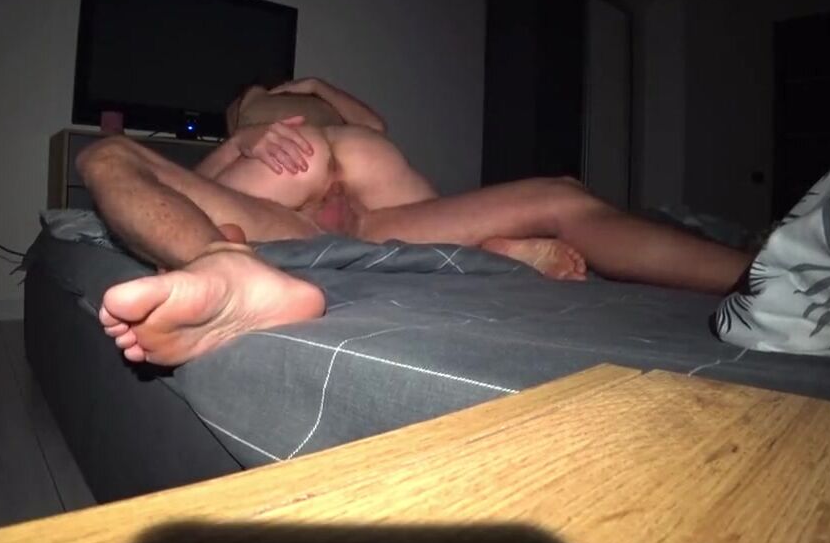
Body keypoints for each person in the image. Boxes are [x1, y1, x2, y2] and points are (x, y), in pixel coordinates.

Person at [77, 77, 753, 365]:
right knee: (105, 153)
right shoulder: (242, 130)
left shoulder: (315, 102)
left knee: (561, 193)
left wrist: (311, 86)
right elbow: (197, 183)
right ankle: (226, 265)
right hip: (284, 212)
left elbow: (373, 125)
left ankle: (767, 275)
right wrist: (241, 141)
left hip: (380, 208)